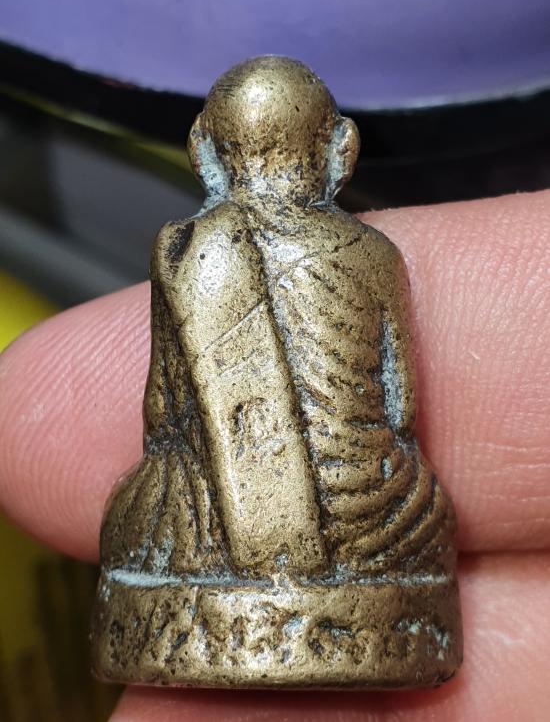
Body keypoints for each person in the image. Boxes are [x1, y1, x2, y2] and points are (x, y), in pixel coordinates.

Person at [0, 184, 549, 716]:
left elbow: (163, 410)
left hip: (204, 518)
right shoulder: (374, 254)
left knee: (140, 509)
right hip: (375, 511)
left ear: (205, 154)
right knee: (427, 510)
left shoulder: (190, 251)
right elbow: (400, 405)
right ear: (340, 153)